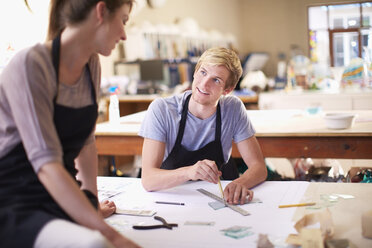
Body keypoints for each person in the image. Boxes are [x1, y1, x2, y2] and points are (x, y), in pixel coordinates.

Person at [0, 1, 139, 247]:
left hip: (60, 190)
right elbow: (46, 165)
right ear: (100, 11)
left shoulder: (91, 65)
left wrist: (92, 208)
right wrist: (110, 234)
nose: (124, 35)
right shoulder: (31, 64)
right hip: (15, 198)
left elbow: (86, 145)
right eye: (124, 20)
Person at [140, 47, 267, 205]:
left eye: (216, 80)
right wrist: (189, 172)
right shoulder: (162, 109)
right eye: (203, 72)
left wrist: (239, 184)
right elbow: (148, 180)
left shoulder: (233, 108)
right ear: (195, 72)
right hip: (174, 197)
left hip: (219, 197)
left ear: (227, 89)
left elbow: (259, 167)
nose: (204, 84)